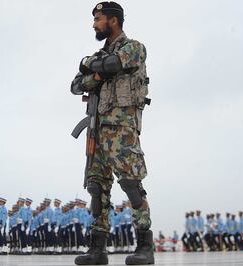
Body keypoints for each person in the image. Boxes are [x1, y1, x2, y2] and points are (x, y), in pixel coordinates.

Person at [72, 2, 153, 265]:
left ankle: (145, 245)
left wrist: (93, 69)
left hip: (122, 132)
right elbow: (75, 84)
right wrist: (96, 70)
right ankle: (98, 249)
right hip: (96, 129)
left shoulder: (135, 48)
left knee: (131, 185)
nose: (94, 23)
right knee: (97, 188)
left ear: (114, 21)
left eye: (98, 18)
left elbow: (114, 64)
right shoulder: (97, 54)